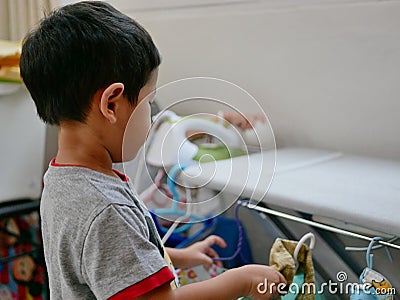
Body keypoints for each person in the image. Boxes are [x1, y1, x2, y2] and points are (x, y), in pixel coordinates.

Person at [20, 1, 287, 299]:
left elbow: (114, 254)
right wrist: (242, 282)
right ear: (112, 104)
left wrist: (179, 255)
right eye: (149, 103)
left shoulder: (62, 180)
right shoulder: (106, 207)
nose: (151, 116)